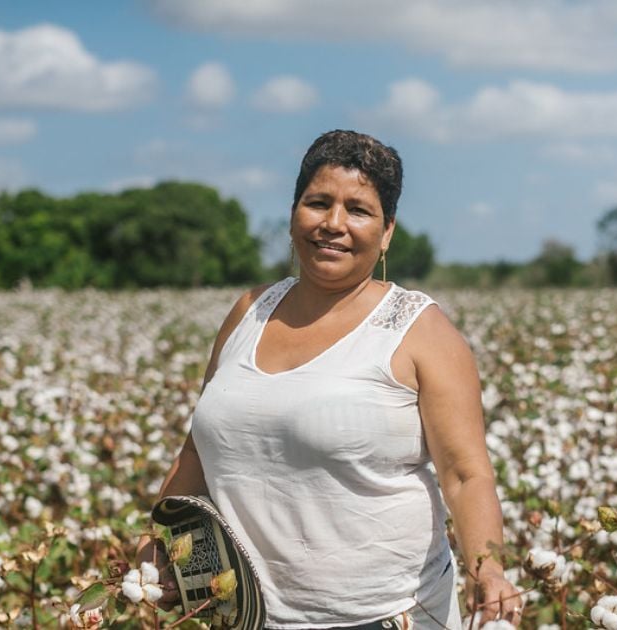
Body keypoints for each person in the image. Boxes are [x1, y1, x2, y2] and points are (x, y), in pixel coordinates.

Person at [136, 130, 520, 628]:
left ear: (386, 233)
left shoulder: (419, 331)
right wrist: (157, 541)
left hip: (384, 614)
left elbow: (466, 475)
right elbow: (197, 455)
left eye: (358, 210)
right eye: (318, 203)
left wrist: (489, 571)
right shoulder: (249, 312)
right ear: (293, 214)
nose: (333, 224)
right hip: (245, 616)